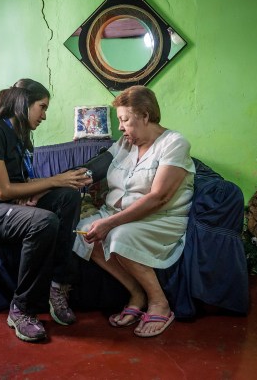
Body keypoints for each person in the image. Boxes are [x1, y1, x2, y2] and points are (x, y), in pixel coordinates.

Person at [0, 78, 91, 343]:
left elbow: (22, 183)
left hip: (12, 206)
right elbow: (3, 191)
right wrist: (54, 180)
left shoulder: (20, 137)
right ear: (23, 104)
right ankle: (21, 308)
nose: (44, 115)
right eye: (41, 107)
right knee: (44, 222)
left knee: (67, 197)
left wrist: (60, 182)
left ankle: (57, 285)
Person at [73, 85, 195, 338]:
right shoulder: (125, 144)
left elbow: (159, 197)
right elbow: (93, 168)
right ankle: (136, 293)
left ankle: (159, 302)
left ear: (145, 115)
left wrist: (109, 223)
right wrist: (56, 183)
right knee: (85, 233)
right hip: (117, 215)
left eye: (125, 120)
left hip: (159, 219)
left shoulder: (174, 143)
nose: (121, 127)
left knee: (119, 236)